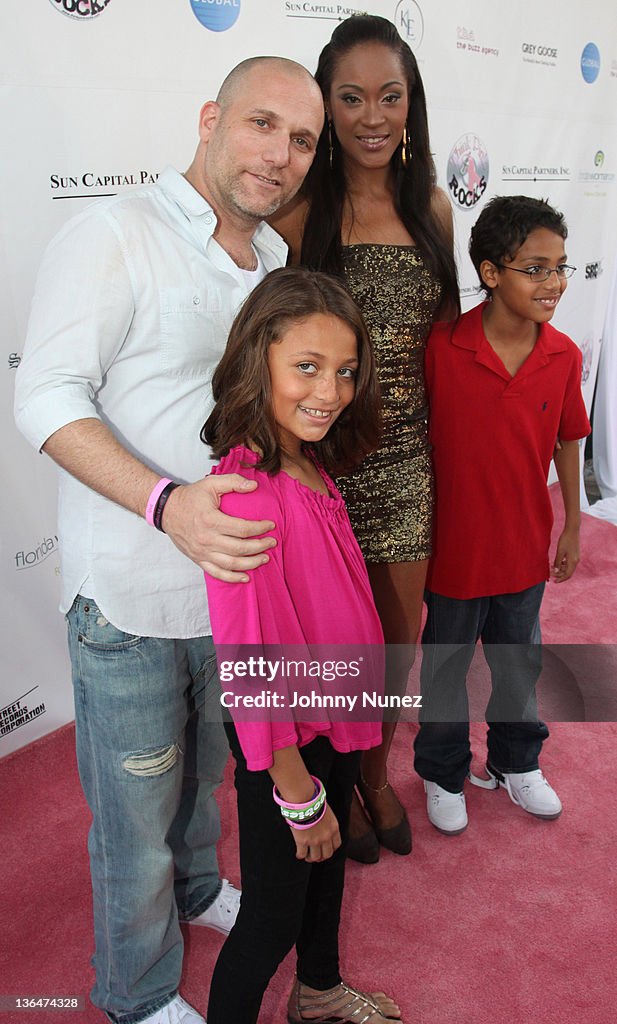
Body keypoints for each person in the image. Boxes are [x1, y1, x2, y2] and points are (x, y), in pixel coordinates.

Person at [14, 58, 324, 1024]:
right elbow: (45, 396)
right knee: (135, 820)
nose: (278, 155)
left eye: (301, 139)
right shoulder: (114, 233)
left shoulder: (274, 266)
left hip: (233, 599)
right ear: (208, 119)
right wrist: (166, 504)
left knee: (200, 782)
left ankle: (197, 894)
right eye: (260, 124)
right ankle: (136, 993)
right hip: (134, 601)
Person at [270, 14, 459, 862]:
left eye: (390, 95)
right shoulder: (298, 211)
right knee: (326, 648)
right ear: (327, 104)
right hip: (321, 471)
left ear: (412, 104)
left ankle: (375, 775)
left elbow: (443, 345)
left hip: (408, 466)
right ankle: (332, 786)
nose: (372, 116)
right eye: (350, 97)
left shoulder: (432, 209)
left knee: (392, 644)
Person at [202, 267, 402, 1024]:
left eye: (345, 371)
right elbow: (251, 668)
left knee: (325, 879)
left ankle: (317, 993)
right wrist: (295, 792)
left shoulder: (303, 458)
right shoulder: (246, 495)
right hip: (283, 742)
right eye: (307, 368)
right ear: (259, 361)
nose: (329, 391)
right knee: (271, 918)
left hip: (332, 714)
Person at [414, 195, 591, 835]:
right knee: (447, 664)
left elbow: (570, 439)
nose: (555, 283)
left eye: (561, 267)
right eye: (536, 269)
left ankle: (518, 762)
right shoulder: (440, 347)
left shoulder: (564, 355)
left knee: (519, 660)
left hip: (523, 546)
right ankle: (441, 770)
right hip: (454, 549)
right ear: (491, 273)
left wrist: (571, 521)